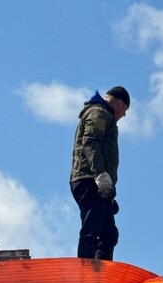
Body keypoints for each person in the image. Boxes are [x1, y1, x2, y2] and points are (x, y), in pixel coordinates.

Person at [69, 86, 130, 261]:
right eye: (125, 110)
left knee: (108, 234)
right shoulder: (99, 113)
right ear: (119, 104)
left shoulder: (104, 115)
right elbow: (90, 143)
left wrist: (109, 193)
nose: (124, 115)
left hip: (95, 182)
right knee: (91, 230)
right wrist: (100, 175)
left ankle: (101, 271)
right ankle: (86, 270)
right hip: (88, 180)